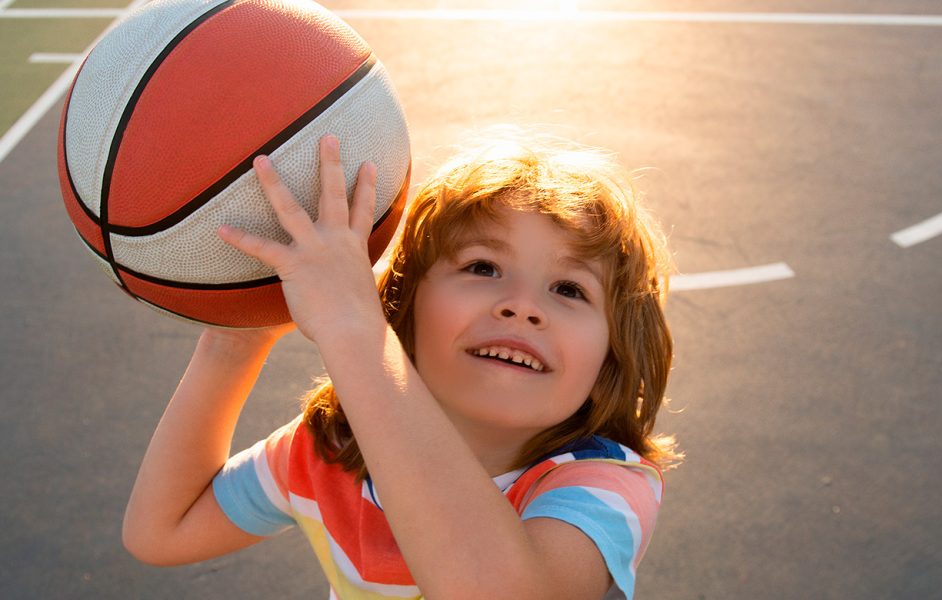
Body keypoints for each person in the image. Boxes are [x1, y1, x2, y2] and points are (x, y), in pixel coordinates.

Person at [122, 127, 681, 600]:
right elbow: (162, 532)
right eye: (483, 267)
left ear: (612, 357)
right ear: (404, 303)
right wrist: (235, 339)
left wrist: (355, 332)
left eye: (569, 289)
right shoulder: (330, 452)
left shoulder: (601, 486)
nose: (522, 306)